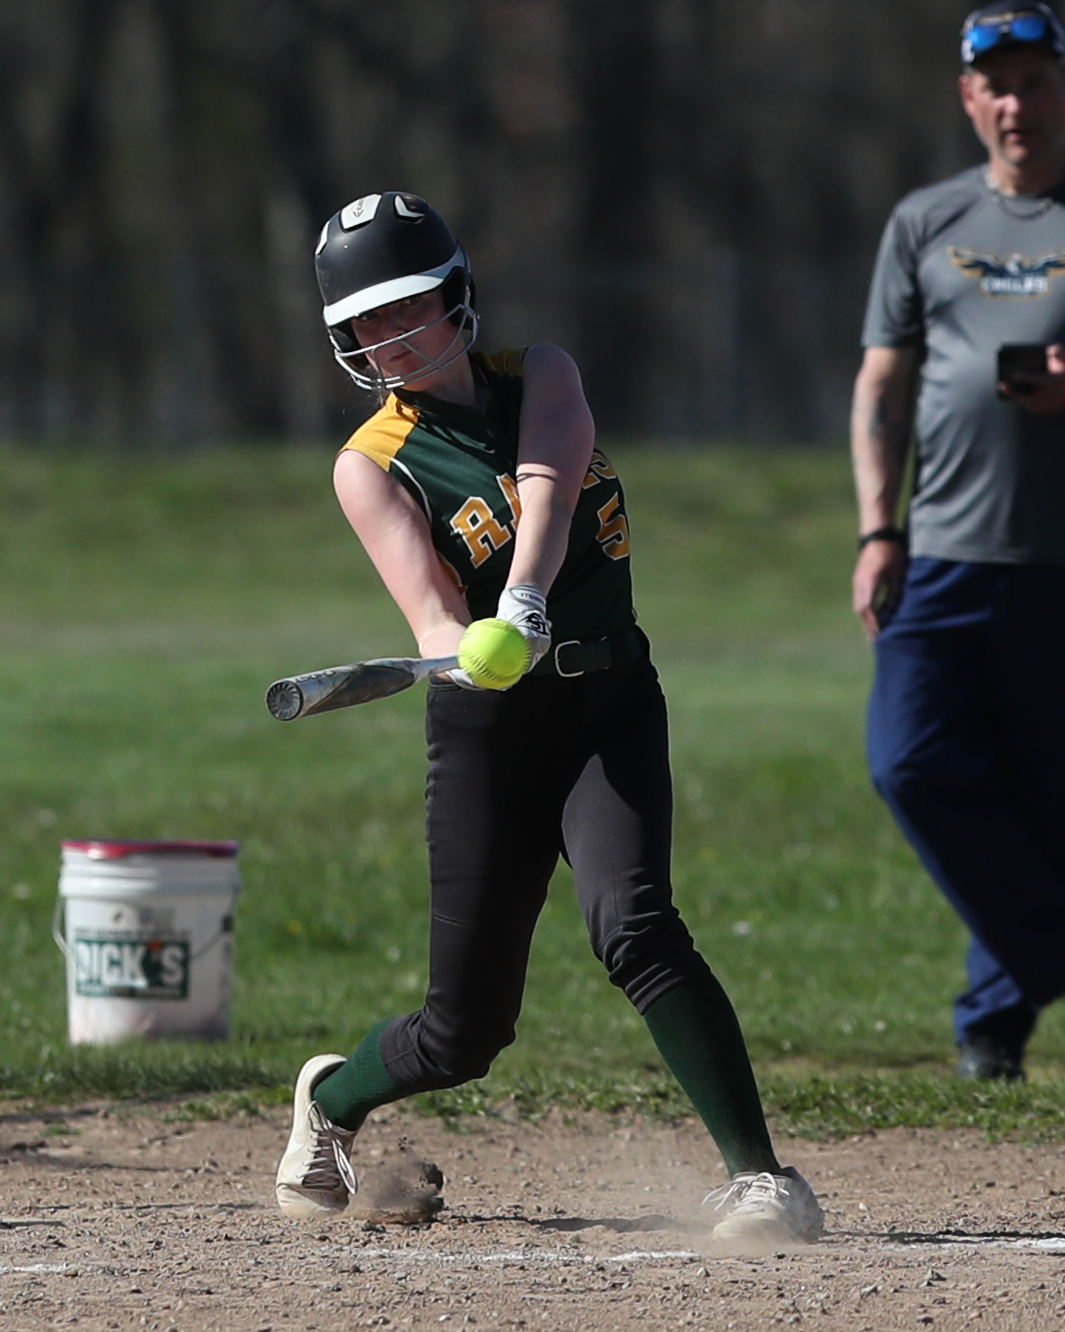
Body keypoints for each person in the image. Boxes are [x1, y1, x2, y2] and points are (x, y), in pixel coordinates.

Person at [272, 190, 823, 1246]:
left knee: (637, 926)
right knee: (464, 1032)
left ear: (458, 297)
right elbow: (431, 612)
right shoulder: (370, 462)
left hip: (611, 696)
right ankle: (334, 1102)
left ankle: (761, 1181)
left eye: (408, 308)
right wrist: (475, 653)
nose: (389, 338)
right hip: (492, 736)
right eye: (364, 323)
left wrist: (522, 601)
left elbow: (552, 490)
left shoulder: (545, 375)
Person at [851, 4, 1065, 1081]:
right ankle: (1036, 968)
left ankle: (993, 1023)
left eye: (1035, 78)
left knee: (1040, 794)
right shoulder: (926, 223)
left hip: (1057, 570)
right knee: (912, 762)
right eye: (1000, 84)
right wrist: (877, 528)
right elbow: (881, 387)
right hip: (940, 556)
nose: (1018, 102)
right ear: (970, 98)